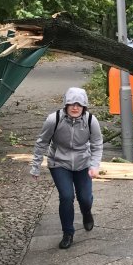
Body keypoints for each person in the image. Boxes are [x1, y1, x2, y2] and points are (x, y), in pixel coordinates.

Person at [30, 87, 103, 249]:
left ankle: (86, 212)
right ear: (65, 105)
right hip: (59, 163)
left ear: (84, 107)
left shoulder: (91, 121)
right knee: (66, 196)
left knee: (85, 198)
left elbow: (97, 144)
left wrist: (94, 165)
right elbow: (42, 143)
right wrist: (35, 166)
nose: (75, 107)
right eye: (71, 104)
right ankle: (68, 233)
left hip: (83, 163)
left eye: (79, 104)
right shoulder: (53, 119)